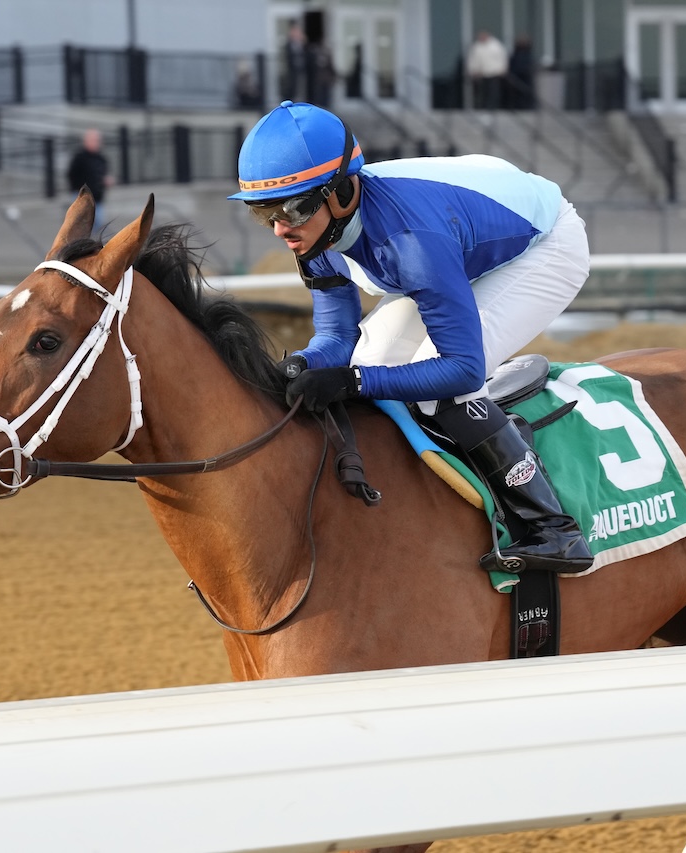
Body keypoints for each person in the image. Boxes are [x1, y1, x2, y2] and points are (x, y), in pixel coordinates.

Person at [228, 101, 594, 575]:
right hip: (457, 234)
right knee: (371, 358)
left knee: (444, 392)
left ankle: (554, 529)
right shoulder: (314, 235)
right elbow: (338, 335)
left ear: (340, 194)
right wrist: (302, 364)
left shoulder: (410, 244)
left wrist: (352, 383)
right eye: (264, 214)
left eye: (294, 208)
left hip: (542, 246)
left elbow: (459, 366)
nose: (281, 228)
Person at [66, 129, 113, 234]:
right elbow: (71, 175)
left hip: (98, 198)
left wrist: (106, 181)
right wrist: (77, 191)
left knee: (98, 224)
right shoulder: (80, 158)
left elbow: (103, 174)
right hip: (83, 198)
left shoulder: (101, 158)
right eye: (93, 140)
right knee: (85, 225)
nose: (96, 143)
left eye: (98, 140)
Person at [466, 29, 508, 110]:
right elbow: (473, 60)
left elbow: (502, 58)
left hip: (494, 73)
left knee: (493, 92)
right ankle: (483, 107)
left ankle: (494, 107)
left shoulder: (496, 46)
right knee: (483, 93)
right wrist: (472, 70)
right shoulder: (476, 47)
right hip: (481, 74)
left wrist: (503, 69)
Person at [507, 34, 536, 110]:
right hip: (516, 76)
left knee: (526, 93)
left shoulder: (528, 54)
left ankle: (527, 107)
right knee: (517, 94)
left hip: (526, 76)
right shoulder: (515, 54)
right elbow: (512, 65)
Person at [281, 21, 307, 102]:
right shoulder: (288, 45)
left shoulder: (303, 46)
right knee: (291, 92)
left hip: (301, 74)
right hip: (291, 75)